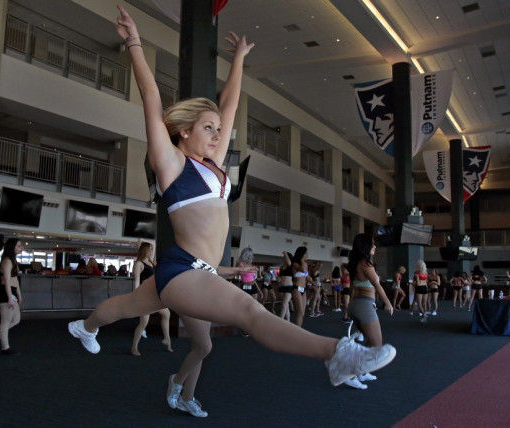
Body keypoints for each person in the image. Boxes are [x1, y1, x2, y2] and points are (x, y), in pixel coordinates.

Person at [67, 5, 395, 418]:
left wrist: (239, 59)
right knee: (249, 313)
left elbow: (230, 105)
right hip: (182, 270)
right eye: (208, 129)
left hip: (198, 271)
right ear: (184, 131)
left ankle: (89, 328)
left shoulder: (216, 168)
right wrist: (134, 41)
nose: (217, 134)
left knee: (162, 325)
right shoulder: (172, 164)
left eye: (218, 131)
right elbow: (151, 99)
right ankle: (336, 355)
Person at [345, 232, 395, 389]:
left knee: (367, 342)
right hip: (364, 306)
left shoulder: (356, 264)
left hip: (356, 305)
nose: (375, 246)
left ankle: (361, 371)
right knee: (377, 345)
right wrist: (388, 303)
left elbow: (353, 287)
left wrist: (348, 309)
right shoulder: (366, 265)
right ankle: (350, 373)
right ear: (365, 246)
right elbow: (377, 285)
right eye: (372, 243)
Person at [131, 242, 172, 355]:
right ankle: (134, 347)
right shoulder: (139, 263)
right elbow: (136, 281)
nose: (152, 251)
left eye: (152, 249)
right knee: (143, 322)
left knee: (166, 314)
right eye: (150, 249)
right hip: (144, 296)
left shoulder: (149, 262)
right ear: (145, 250)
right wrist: (136, 296)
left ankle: (167, 339)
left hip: (152, 295)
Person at [0, 238, 23, 355]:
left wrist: (19, 295)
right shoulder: (7, 261)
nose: (21, 248)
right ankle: (5, 348)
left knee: (16, 320)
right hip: (5, 292)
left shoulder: (14, 260)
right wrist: (9, 298)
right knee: (6, 322)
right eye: (19, 246)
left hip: (11, 292)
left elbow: (15, 279)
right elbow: (6, 281)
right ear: (12, 247)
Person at [291, 246, 312, 327]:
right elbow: (303, 270)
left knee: (302, 313)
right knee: (300, 312)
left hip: (304, 289)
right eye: (306, 253)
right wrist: (302, 260)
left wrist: (314, 284)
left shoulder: (305, 264)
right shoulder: (295, 264)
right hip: (297, 289)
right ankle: (297, 331)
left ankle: (298, 329)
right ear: (302, 254)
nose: (308, 255)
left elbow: (307, 276)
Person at [278, 251, 294, 321]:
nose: (284, 258)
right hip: (282, 287)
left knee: (284, 305)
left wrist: (285, 253)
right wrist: (277, 278)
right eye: (284, 257)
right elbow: (279, 278)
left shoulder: (291, 265)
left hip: (289, 287)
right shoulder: (282, 267)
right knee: (286, 306)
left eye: (285, 257)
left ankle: (280, 321)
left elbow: (288, 263)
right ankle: (288, 321)